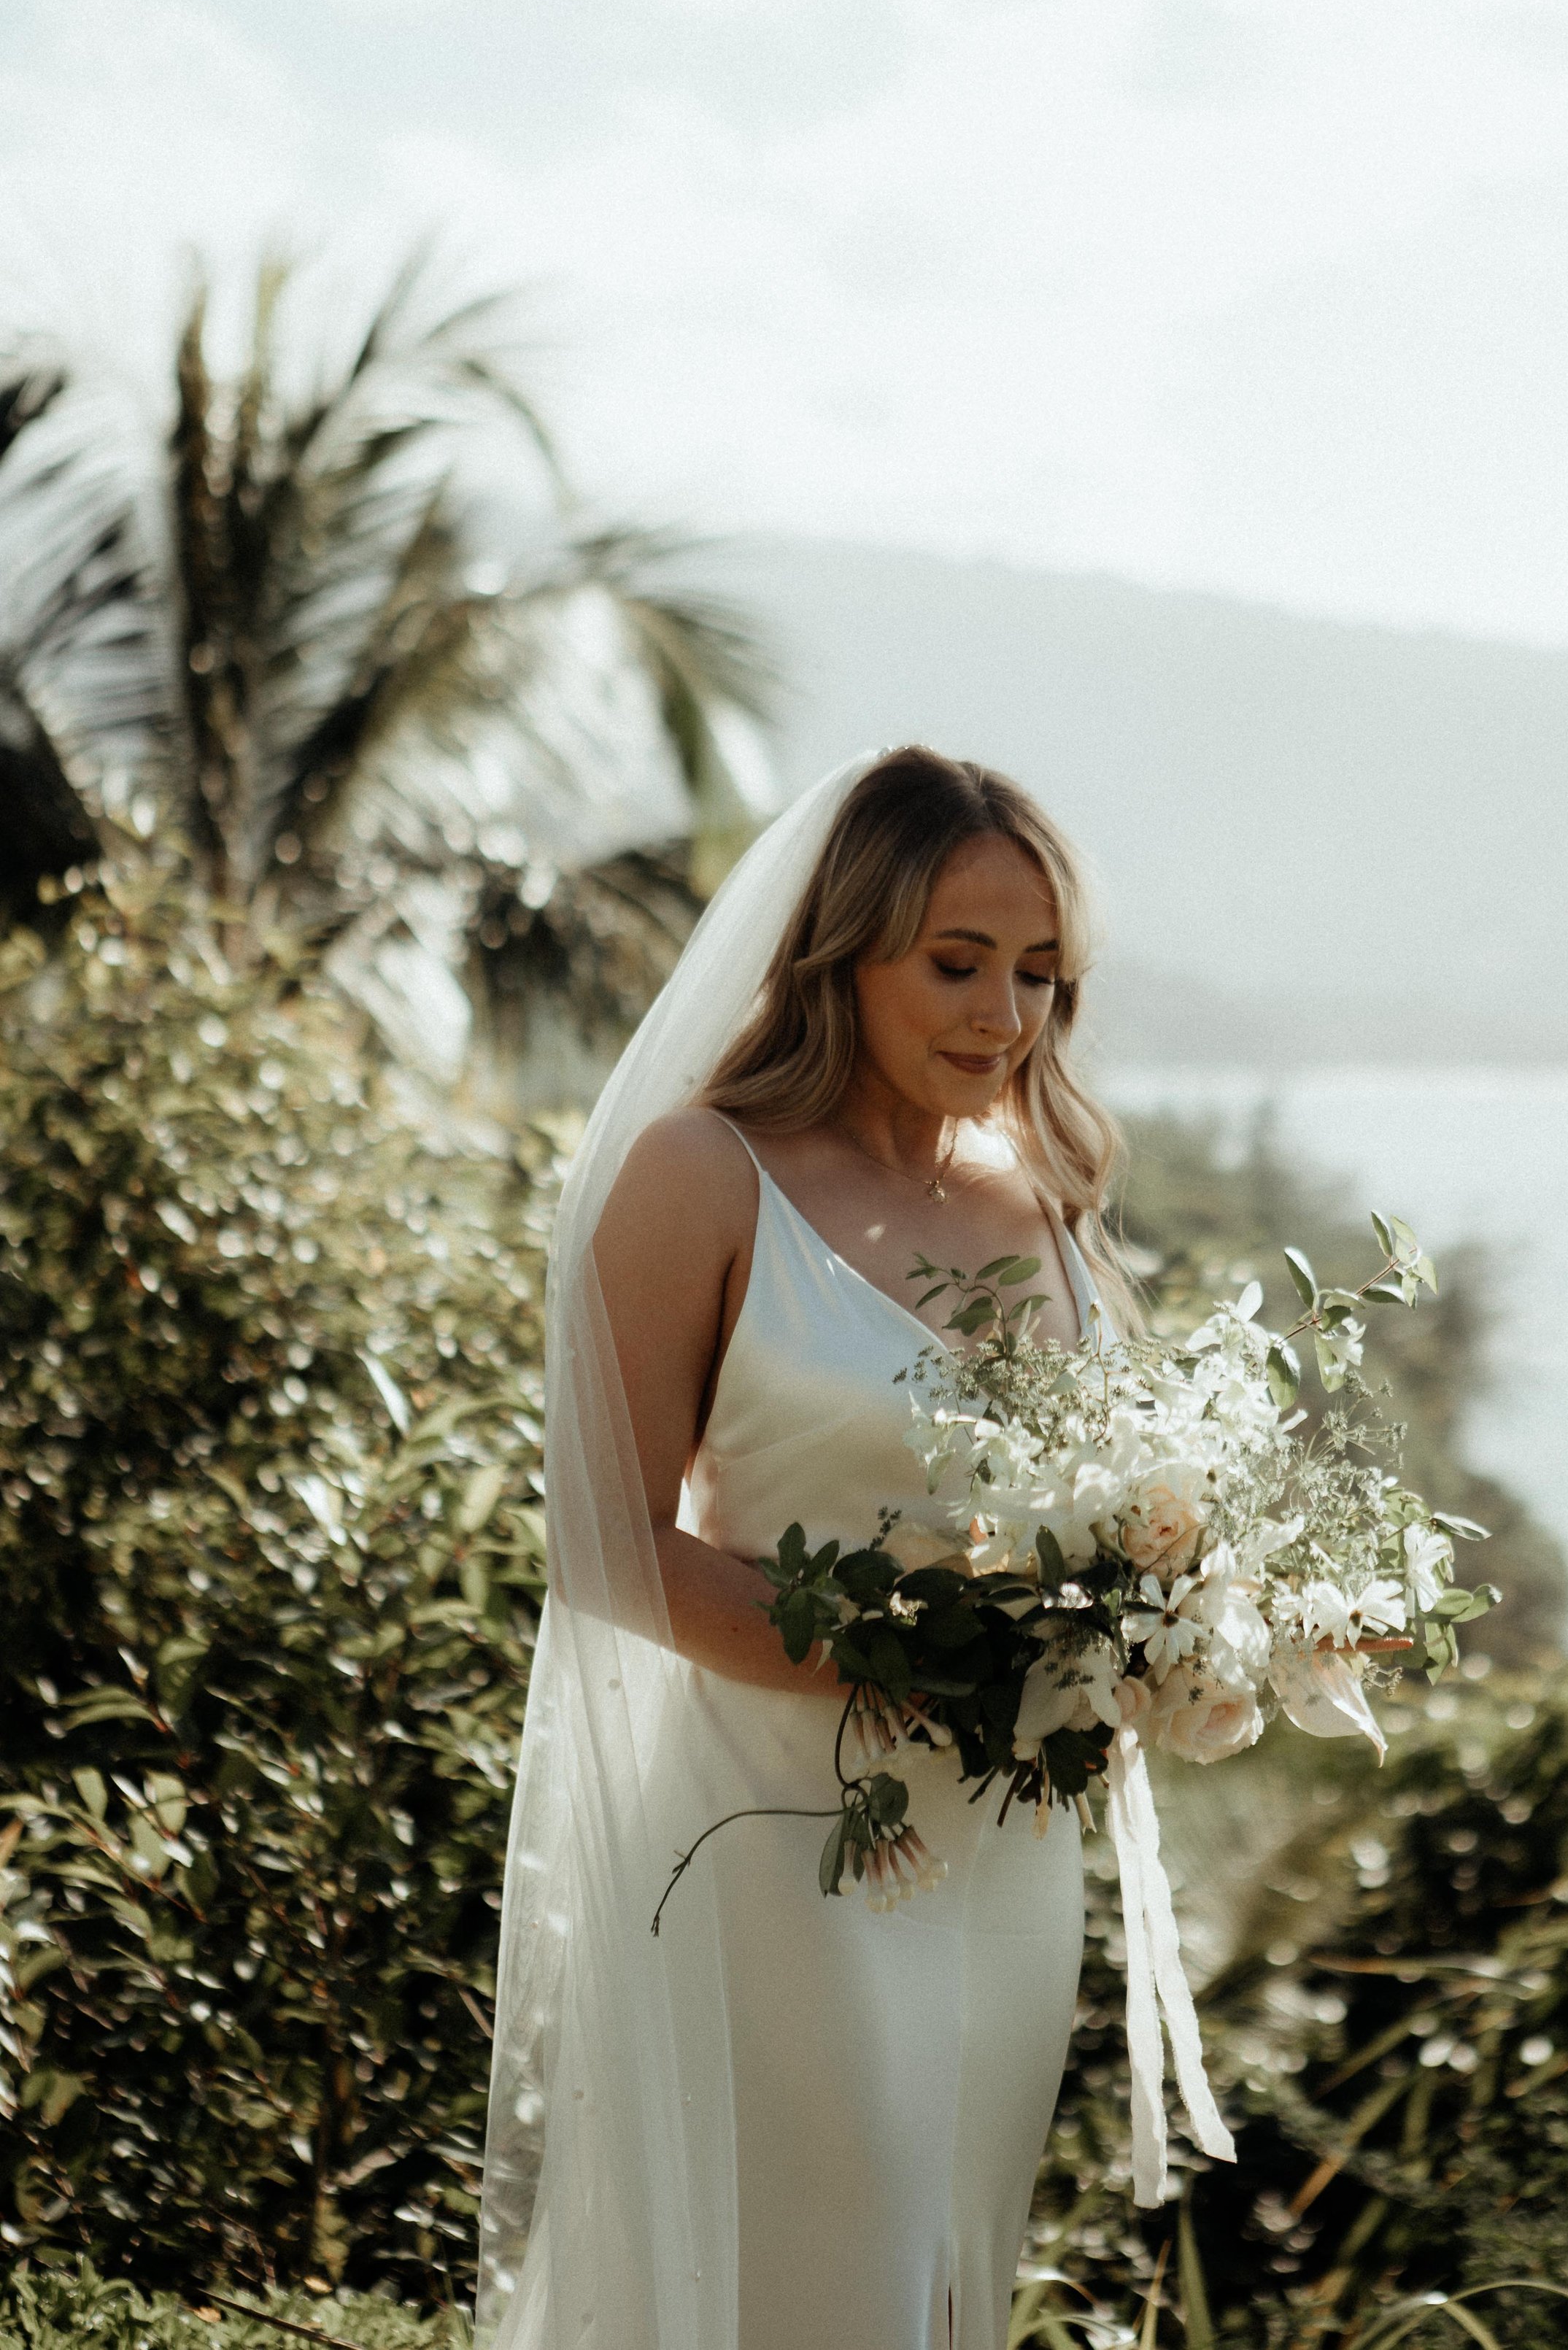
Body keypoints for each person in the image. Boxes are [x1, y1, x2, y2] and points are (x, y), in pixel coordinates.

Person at [476, 749, 1177, 2350]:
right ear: (838, 949)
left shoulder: (1043, 1189)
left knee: (939, 2251)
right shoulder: (700, 1176)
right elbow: (600, 1546)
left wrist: (1154, 1617)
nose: (1002, 1013)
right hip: (775, 1820)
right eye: (954, 961)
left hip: (1002, 1835)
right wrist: (905, 1663)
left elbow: (1100, 1499)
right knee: (814, 2252)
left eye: (1037, 972)